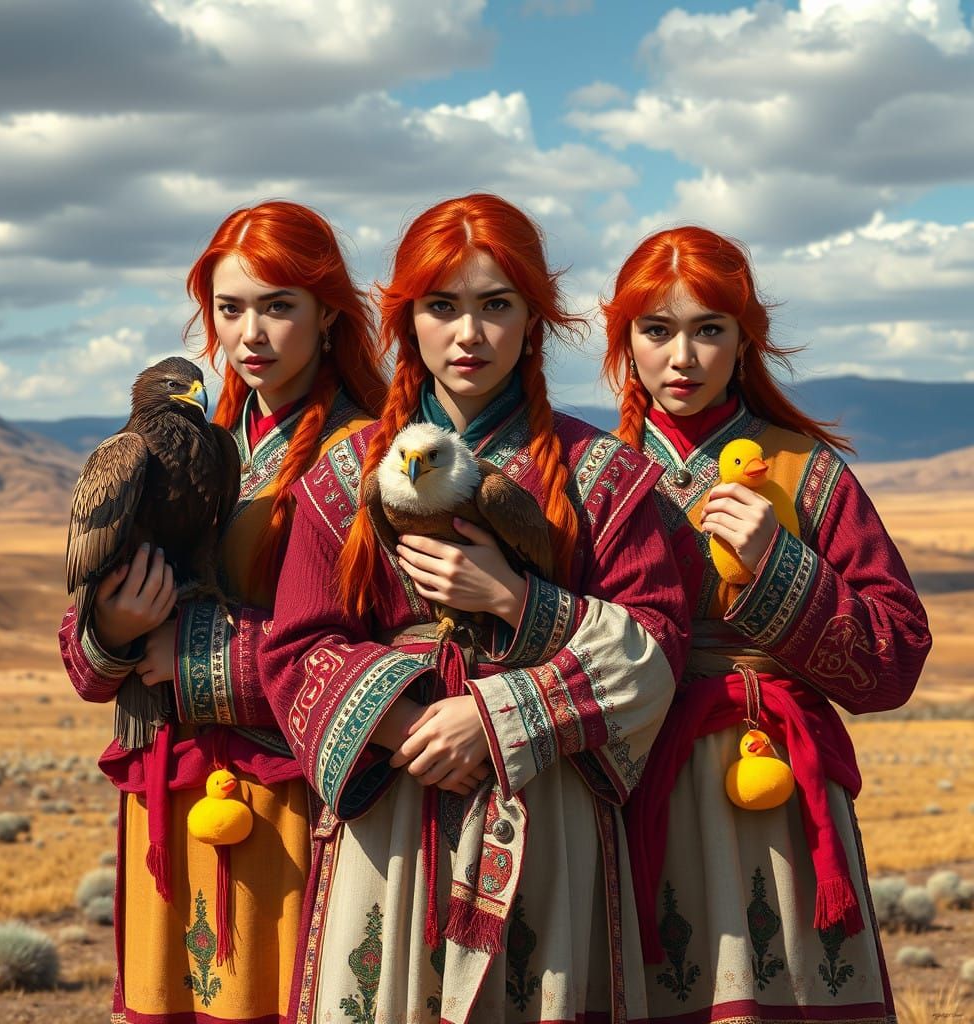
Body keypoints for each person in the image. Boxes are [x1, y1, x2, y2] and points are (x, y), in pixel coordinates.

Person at [258, 193, 689, 1023]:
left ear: (534, 319)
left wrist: (502, 670)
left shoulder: (601, 474)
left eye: (496, 306)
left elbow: (659, 647)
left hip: (544, 800)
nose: (469, 335)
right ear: (406, 319)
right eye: (442, 307)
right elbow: (295, 650)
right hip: (391, 811)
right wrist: (422, 726)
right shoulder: (342, 475)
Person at [58, 201, 386, 1024]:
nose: (251, 334)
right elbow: (80, 638)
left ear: (327, 313)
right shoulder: (193, 442)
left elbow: (392, 650)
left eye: (278, 306)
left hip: (303, 797)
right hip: (169, 788)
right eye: (229, 310)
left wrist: (193, 653)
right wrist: (119, 634)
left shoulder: (378, 452)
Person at [603, 225, 932, 1022]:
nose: (683, 357)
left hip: (780, 797)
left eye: (709, 329)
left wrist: (781, 562)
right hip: (629, 784)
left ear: (745, 340)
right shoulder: (590, 471)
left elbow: (893, 662)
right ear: (624, 340)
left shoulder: (809, 469)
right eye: (657, 330)